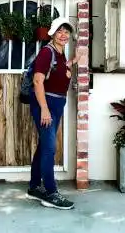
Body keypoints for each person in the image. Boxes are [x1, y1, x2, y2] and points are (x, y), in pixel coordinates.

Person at [27, 16, 82, 210]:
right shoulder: (46, 52)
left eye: (67, 32)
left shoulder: (60, 54)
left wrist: (73, 61)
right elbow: (38, 81)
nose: (63, 35)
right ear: (52, 33)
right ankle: (51, 193)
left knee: (44, 145)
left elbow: (59, 69)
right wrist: (44, 109)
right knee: (49, 148)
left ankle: (34, 187)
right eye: (60, 31)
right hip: (46, 104)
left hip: (56, 104)